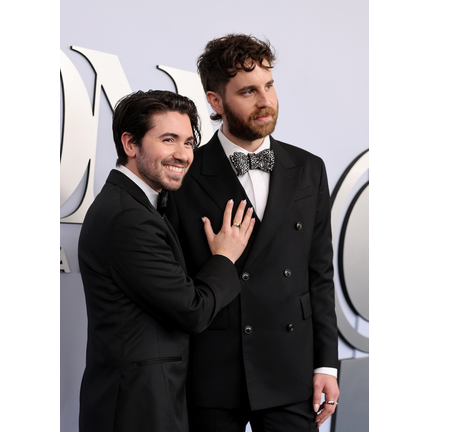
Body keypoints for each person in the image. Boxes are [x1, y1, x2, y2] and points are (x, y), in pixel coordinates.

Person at [166, 34, 340, 431]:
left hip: (289, 369)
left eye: (269, 86)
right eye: (247, 91)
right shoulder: (184, 173)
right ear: (215, 101)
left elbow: (319, 274)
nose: (265, 101)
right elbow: (176, 286)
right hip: (213, 372)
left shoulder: (309, 168)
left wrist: (325, 363)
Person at [78, 89, 255, 432]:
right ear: (130, 144)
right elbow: (193, 309)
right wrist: (224, 257)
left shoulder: (137, 207)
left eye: (188, 142)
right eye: (169, 139)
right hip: (137, 408)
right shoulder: (127, 218)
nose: (183, 154)